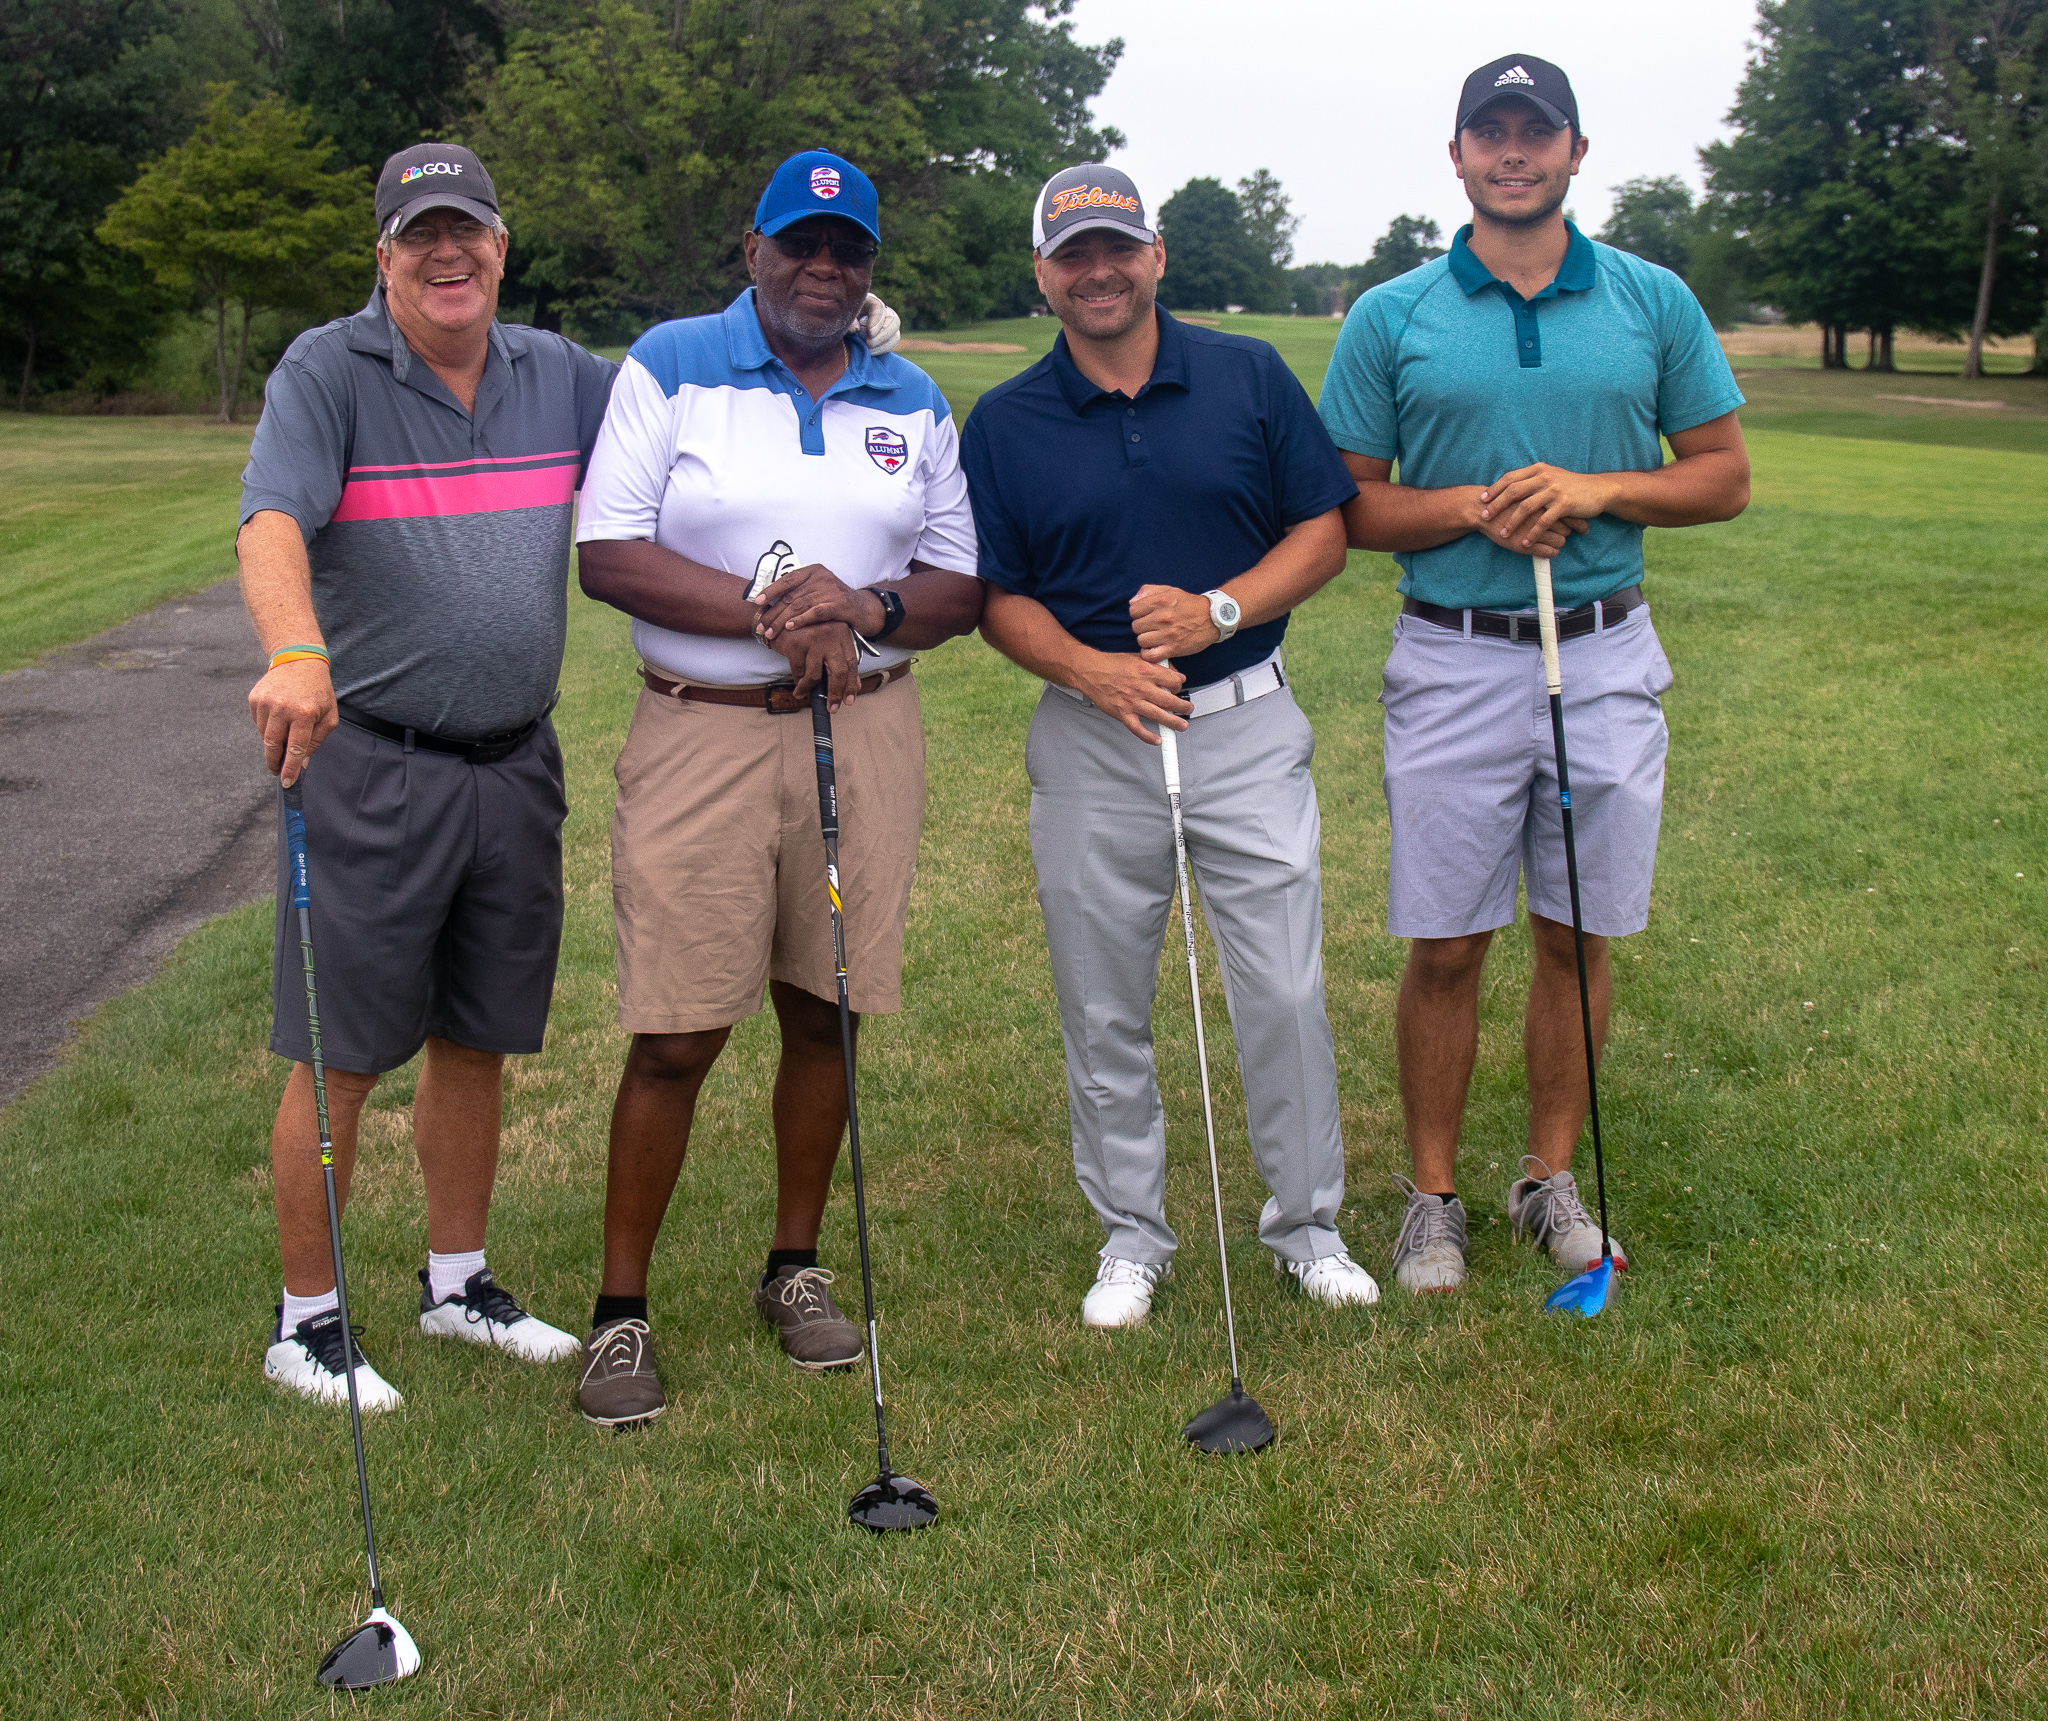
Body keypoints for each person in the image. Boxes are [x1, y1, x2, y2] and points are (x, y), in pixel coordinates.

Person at [1317, 55, 1750, 1294]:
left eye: (1535, 132)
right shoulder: (1390, 314)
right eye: (1489, 132)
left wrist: (1595, 488)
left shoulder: (1649, 299)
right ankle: (1431, 1198)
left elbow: (1720, 475)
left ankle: (1546, 1178)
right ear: (1456, 155)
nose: (1512, 152)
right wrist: (1472, 505)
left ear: (1573, 151)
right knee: (1446, 941)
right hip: (1450, 653)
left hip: (1600, 650)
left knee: (1575, 931)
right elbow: (1343, 504)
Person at [570, 150, 982, 1426]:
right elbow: (607, 553)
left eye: (846, 250)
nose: (822, 268)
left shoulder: (910, 395)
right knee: (676, 1032)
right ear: (753, 249)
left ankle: (792, 1266)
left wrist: (864, 608)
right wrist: (777, 610)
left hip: (863, 729)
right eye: (799, 243)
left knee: (826, 1007)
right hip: (701, 731)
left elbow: (959, 585)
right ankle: (620, 1312)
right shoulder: (671, 363)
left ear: (868, 269)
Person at [961, 164, 1379, 1330]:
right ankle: (1130, 1235)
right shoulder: (1003, 421)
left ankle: (1308, 1226)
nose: (1096, 272)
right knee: (1101, 998)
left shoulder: (1244, 374)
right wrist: (1086, 668)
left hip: (1242, 718)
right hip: (1091, 734)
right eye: (1071, 255)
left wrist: (1218, 611)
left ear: (1154, 256)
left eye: (1116, 248)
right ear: (1042, 274)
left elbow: (1322, 530)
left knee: (1283, 987)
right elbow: (993, 593)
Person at [237, 143, 608, 1408]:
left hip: (516, 760)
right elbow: (270, 521)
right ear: (384, 255)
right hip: (376, 761)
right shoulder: (327, 369)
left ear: (501, 245)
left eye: (467, 230)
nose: (446, 253)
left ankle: (456, 1283)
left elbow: (688, 411)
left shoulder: (557, 372)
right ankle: (306, 1320)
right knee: (341, 1052)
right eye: (419, 234)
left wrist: (812, 336)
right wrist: (296, 650)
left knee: (476, 1035)